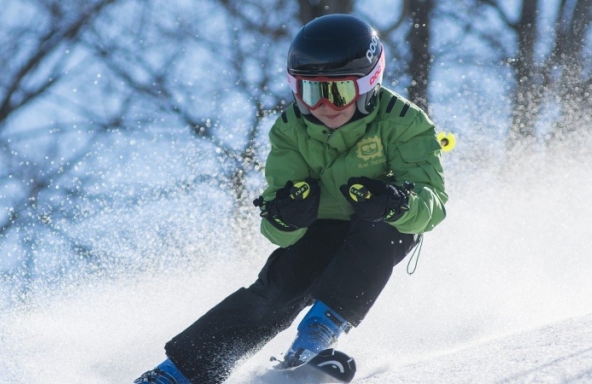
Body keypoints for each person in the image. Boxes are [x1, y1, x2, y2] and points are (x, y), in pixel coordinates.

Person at [135, 13, 447, 384]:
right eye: (309, 91)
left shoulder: (404, 122)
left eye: (338, 91)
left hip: (380, 224)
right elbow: (277, 231)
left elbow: (433, 203)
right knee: (278, 288)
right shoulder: (290, 129)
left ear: (369, 84)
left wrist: (397, 201)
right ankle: (180, 373)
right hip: (321, 226)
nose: (323, 106)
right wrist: (286, 214)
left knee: (381, 230)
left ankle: (313, 340)